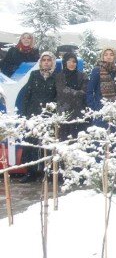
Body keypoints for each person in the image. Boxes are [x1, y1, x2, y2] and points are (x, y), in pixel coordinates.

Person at [19, 52, 57, 182]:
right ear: (40, 62)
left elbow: (58, 96)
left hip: (49, 115)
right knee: (31, 144)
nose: (46, 62)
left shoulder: (57, 76)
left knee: (48, 143)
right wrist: (25, 114)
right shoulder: (34, 75)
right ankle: (30, 172)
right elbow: (27, 95)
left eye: (49, 60)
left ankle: (49, 172)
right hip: (33, 114)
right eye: (44, 60)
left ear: (53, 62)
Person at [55, 53, 88, 141]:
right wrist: (77, 93)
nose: (71, 63)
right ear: (65, 62)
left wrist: (73, 93)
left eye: (74, 61)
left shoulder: (82, 75)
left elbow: (85, 91)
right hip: (64, 111)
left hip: (78, 111)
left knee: (77, 138)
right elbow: (62, 91)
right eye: (69, 61)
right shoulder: (59, 76)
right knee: (64, 139)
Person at [86, 47, 116, 111]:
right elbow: (90, 90)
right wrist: (93, 106)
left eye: (111, 55)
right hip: (100, 107)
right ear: (102, 57)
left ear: (114, 57)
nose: (108, 57)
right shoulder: (97, 70)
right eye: (106, 54)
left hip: (114, 108)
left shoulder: (115, 71)